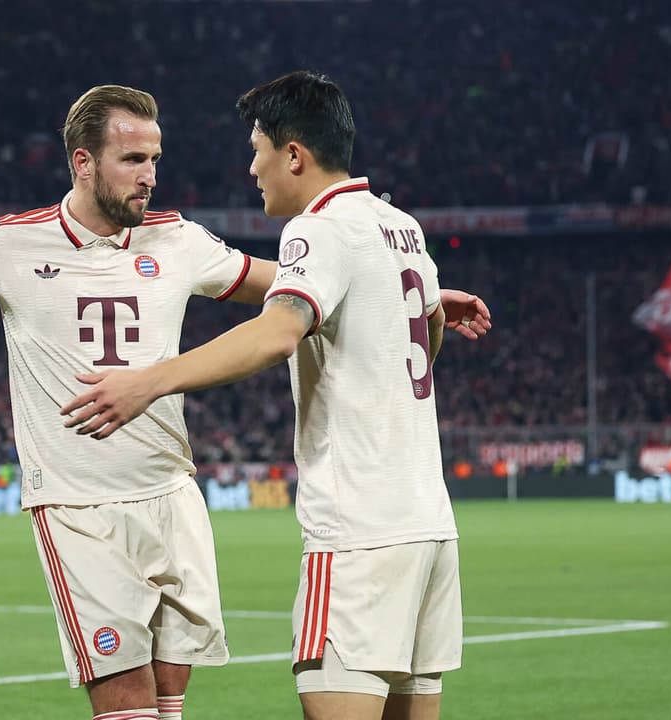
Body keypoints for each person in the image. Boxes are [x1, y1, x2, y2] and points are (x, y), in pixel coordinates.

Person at [0, 85, 487, 720]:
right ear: (84, 162)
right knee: (125, 695)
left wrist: (407, 295)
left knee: (170, 692)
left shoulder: (181, 240)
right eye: (133, 160)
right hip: (78, 503)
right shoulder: (5, 247)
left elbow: (286, 282)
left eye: (155, 159)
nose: (150, 176)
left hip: (172, 492)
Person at [60, 72, 485, 720]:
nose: (253, 167)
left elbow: (278, 334)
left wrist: (149, 380)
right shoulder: (399, 227)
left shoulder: (316, 229)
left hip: (358, 535)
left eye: (259, 149)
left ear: (295, 155)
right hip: (429, 530)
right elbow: (425, 327)